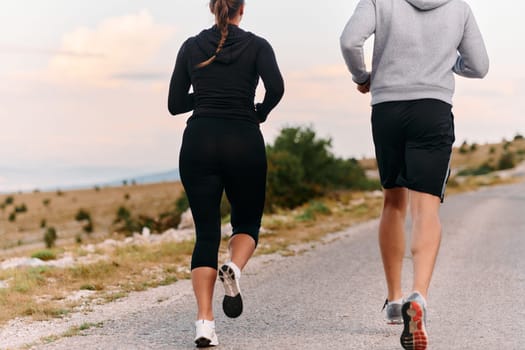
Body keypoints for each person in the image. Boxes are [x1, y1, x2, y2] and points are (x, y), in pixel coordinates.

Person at [340, 0, 488, 349]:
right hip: (432, 109)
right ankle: (417, 296)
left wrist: (364, 77)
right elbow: (479, 66)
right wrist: (449, 60)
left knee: (393, 201)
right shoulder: (459, 8)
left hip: (387, 108)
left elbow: (349, 41)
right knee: (427, 208)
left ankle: (394, 302)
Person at [167, 0, 284, 347]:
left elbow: (174, 103)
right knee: (246, 223)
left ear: (213, 7)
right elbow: (276, 88)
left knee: (205, 234)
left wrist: (205, 94)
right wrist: (258, 110)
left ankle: (204, 323)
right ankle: (234, 266)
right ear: (241, 9)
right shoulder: (258, 45)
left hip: (198, 141)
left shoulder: (190, 46)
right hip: (243, 140)